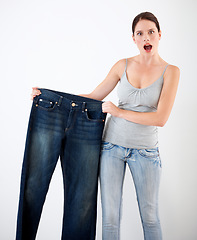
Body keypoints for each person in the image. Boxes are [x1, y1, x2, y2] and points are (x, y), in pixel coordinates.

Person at [31, 12, 180, 240]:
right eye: (140, 34)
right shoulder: (123, 65)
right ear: (134, 38)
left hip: (146, 152)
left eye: (151, 32)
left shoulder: (171, 71)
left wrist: (119, 112)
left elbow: (160, 118)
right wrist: (47, 96)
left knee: (150, 218)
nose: (146, 37)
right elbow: (93, 96)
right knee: (110, 219)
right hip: (111, 148)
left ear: (159, 35)